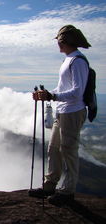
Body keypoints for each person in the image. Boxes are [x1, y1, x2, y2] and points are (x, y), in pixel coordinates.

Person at [29, 25, 91, 205]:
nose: (58, 43)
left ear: (66, 41)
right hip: (63, 111)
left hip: (72, 111)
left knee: (69, 150)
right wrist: (48, 94)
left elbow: (78, 92)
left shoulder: (77, 61)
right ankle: (50, 185)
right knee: (54, 148)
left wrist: (53, 96)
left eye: (59, 40)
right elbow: (64, 88)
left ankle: (67, 192)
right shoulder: (69, 60)